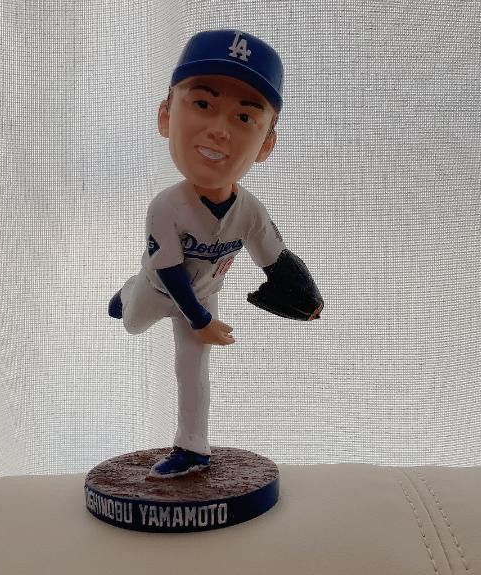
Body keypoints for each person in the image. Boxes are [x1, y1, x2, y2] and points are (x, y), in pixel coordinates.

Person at [108, 29, 321, 479]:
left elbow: (277, 260)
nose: (220, 130)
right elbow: (170, 270)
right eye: (203, 103)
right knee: (132, 322)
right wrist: (201, 321)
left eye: (245, 117)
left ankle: (193, 449)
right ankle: (126, 292)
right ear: (166, 117)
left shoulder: (250, 211)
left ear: (266, 145)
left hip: (205, 297)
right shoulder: (166, 206)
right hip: (159, 289)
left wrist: (307, 298)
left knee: (193, 373)